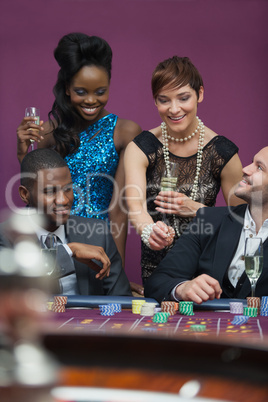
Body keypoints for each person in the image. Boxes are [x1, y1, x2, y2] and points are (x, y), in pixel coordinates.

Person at [16, 32, 141, 275]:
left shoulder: (125, 131)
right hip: (57, 241)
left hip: (100, 242)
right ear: (67, 89)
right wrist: (23, 154)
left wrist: (116, 272)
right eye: (81, 91)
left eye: (100, 91)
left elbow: (118, 208)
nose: (92, 100)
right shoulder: (48, 133)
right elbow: (34, 195)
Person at [124, 56, 244, 285]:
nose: (174, 109)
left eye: (184, 98)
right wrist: (149, 231)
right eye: (164, 100)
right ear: (155, 101)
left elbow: (241, 220)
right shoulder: (141, 148)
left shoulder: (223, 152)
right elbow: (136, 207)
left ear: (200, 94)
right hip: (157, 270)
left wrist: (198, 209)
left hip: (208, 271)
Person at [144, 146, 268, 303]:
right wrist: (181, 288)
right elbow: (157, 282)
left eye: (259, 167)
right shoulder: (209, 220)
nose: (246, 169)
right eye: (252, 162)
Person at [0, 148, 132, 296]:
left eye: (68, 189)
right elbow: (16, 288)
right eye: (50, 192)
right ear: (25, 194)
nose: (63, 200)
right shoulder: (6, 236)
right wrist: (69, 251)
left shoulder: (97, 233)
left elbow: (121, 300)